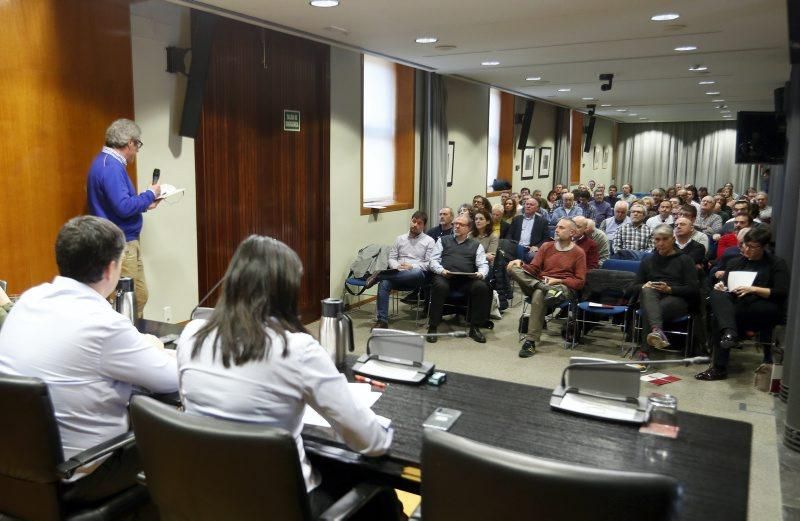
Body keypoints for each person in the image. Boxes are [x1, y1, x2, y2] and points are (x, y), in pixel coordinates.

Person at [176, 235, 397, 517]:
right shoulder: (297, 349)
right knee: (380, 491)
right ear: (286, 291)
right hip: (282, 506)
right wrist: (386, 432)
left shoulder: (192, 333)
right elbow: (370, 442)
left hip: (208, 497)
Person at [0, 216, 178, 504]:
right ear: (111, 268)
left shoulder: (30, 301)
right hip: (81, 475)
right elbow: (172, 377)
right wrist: (155, 347)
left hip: (17, 473)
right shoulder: (104, 324)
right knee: (176, 439)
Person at [86, 119, 161, 319]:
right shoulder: (111, 166)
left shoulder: (106, 163)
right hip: (121, 243)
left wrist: (145, 203)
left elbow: (119, 205)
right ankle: (126, 340)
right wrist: (150, 195)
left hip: (125, 240)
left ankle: (132, 338)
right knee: (128, 302)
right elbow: (123, 206)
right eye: (138, 145)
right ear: (130, 143)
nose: (137, 151)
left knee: (140, 296)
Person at [697, 227, 789, 381]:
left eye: (752, 247)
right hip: (738, 304)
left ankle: (721, 359)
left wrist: (753, 289)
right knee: (716, 294)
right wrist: (721, 286)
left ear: (764, 247)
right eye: (744, 245)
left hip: (764, 306)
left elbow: (780, 292)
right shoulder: (735, 262)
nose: (746, 249)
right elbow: (727, 286)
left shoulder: (776, 263)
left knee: (720, 318)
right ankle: (730, 334)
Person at [507, 219, 586, 358]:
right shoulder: (546, 246)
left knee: (538, 294)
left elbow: (579, 282)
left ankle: (530, 341)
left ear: (572, 232)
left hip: (562, 287)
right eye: (556, 227)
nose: (556, 230)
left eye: (561, 228)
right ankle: (542, 287)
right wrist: (521, 264)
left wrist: (558, 280)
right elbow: (534, 269)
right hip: (542, 282)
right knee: (513, 268)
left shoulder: (578, 253)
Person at [627, 224, 698, 363]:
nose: (661, 243)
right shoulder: (648, 260)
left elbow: (693, 289)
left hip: (677, 299)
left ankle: (644, 352)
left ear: (673, 239)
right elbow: (632, 287)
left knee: (650, 310)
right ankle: (657, 331)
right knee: (647, 290)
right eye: (657, 239)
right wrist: (644, 285)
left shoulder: (685, 260)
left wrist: (670, 289)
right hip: (652, 297)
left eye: (665, 239)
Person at [428, 213, 492, 344]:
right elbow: (433, 261)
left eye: (460, 224)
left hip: (466, 280)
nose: (456, 226)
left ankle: (474, 327)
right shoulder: (443, 240)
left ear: (468, 228)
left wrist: (481, 274)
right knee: (439, 286)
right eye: (454, 224)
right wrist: (441, 270)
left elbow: (483, 264)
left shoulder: (476, 245)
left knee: (481, 287)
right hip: (445, 276)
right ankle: (433, 326)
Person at [365, 211, 434, 329]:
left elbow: (429, 264)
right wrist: (397, 266)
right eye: (413, 221)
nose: (415, 225)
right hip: (398, 274)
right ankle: (382, 321)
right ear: (410, 221)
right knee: (384, 283)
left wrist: (412, 266)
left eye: (419, 223)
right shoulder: (400, 239)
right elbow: (392, 258)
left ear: (424, 226)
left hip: (416, 278)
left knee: (416, 272)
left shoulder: (429, 241)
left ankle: (379, 275)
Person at [504, 198, 549, 263]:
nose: (528, 206)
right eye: (527, 204)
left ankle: (520, 266)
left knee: (532, 256)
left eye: (531, 205)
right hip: (516, 246)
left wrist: (537, 247)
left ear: (537, 208)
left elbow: (546, 239)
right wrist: (511, 244)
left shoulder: (542, 222)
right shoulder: (517, 219)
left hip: (531, 249)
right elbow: (509, 234)